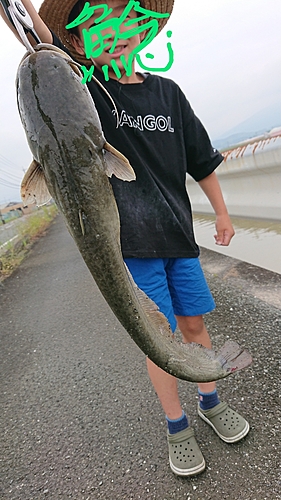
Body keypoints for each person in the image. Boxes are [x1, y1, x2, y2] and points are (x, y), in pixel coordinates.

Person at [1, 0, 250, 477]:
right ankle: (177, 425)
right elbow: (42, 50)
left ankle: (210, 399)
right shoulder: (91, 90)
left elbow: (202, 160)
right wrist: (26, 10)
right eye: (94, 25)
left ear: (143, 28)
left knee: (194, 326)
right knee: (156, 334)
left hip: (179, 238)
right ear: (77, 44)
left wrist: (221, 213)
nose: (113, 31)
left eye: (124, 19)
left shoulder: (169, 94)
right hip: (133, 248)